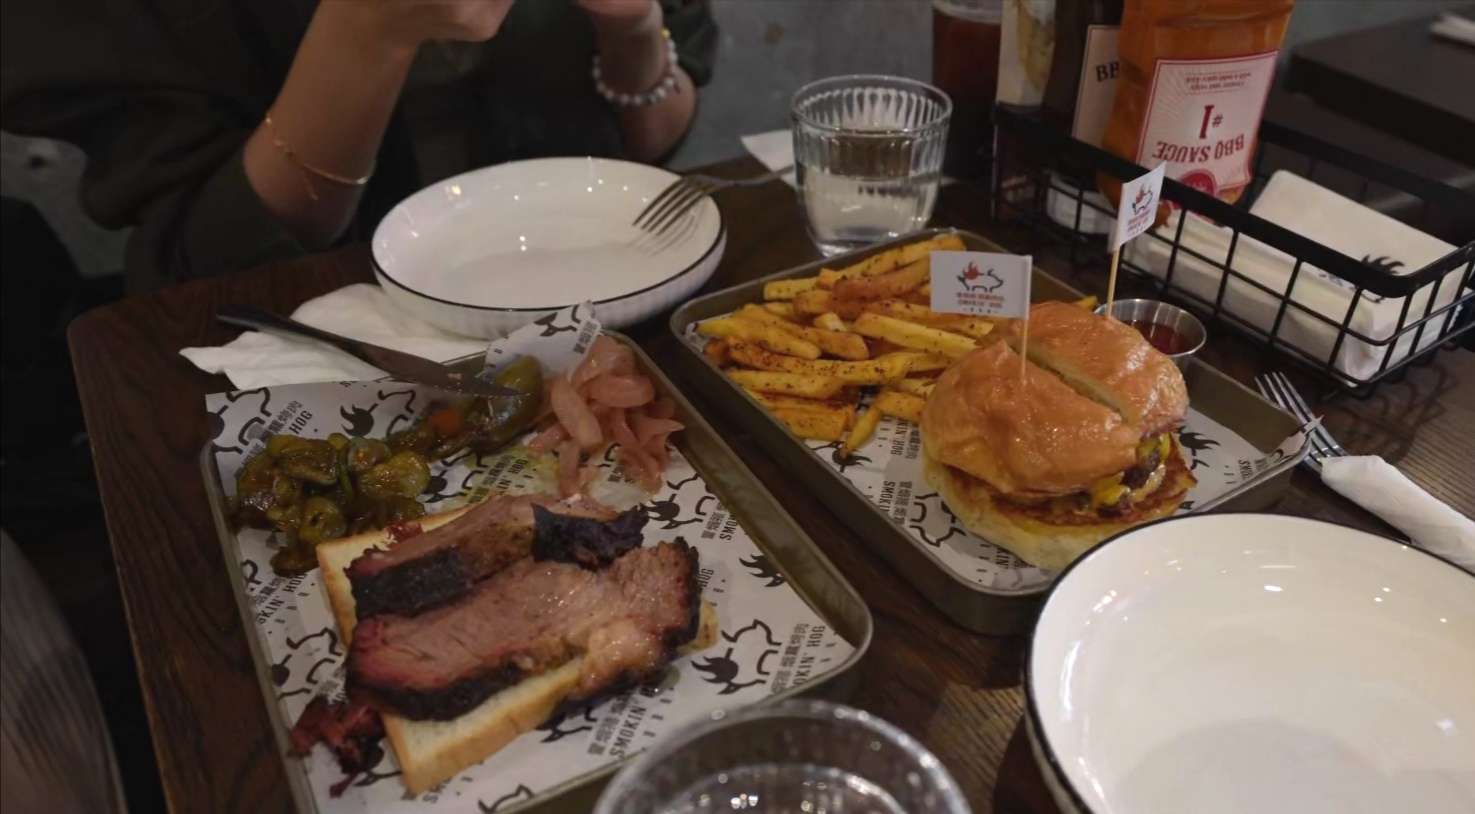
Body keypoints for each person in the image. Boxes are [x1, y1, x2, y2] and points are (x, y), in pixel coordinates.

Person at [1, 0, 717, 291]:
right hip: (318, 361)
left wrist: (631, 26)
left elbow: (654, 141)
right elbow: (215, 261)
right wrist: (366, 31)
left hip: (607, 298)